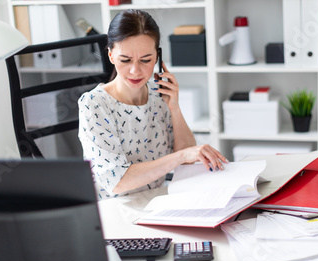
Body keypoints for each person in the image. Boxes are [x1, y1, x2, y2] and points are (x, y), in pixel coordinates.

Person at [78, 9, 228, 199]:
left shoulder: (159, 93)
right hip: (114, 209)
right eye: (125, 60)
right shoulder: (94, 104)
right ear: (111, 56)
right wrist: (182, 156)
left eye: (145, 60)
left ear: (157, 57)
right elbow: (117, 182)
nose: (135, 70)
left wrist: (174, 107)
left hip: (156, 201)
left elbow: (187, 159)